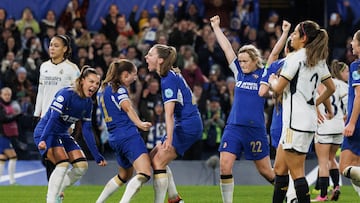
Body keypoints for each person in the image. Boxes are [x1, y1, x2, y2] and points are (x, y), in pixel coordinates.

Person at [210, 15, 275, 203]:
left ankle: (289, 194)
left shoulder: (264, 75)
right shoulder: (239, 72)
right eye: (241, 61)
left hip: (255, 130)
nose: (242, 64)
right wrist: (216, 27)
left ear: (255, 60)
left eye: (246, 61)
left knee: (265, 171)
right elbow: (226, 48)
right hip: (234, 127)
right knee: (224, 165)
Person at [268, 20, 335, 203]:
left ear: (304, 38)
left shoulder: (295, 58)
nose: (292, 36)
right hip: (306, 122)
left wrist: (273, 79)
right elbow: (331, 88)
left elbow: (278, 88)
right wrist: (314, 103)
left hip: (294, 123)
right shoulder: (318, 59)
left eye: (295, 34)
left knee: (297, 173)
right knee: (280, 169)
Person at [34, 66, 106, 203]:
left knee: (81, 167)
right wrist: (43, 139)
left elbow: (87, 129)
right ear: (82, 80)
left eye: (97, 83)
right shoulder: (66, 94)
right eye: (91, 82)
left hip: (63, 134)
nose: (94, 86)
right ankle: (51, 200)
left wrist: (96, 155)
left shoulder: (88, 103)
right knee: (63, 164)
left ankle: (56, 190)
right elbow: (53, 118)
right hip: (46, 132)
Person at [145, 44, 203, 203]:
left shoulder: (168, 80)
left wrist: (169, 140)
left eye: (150, 54)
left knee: (158, 161)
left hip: (187, 125)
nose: (146, 57)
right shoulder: (170, 75)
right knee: (153, 157)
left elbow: (168, 114)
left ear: (160, 60)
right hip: (186, 122)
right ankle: (174, 199)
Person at [95, 59, 152, 203]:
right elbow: (127, 107)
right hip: (128, 135)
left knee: (124, 176)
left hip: (114, 137)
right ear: (125, 74)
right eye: (134, 74)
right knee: (144, 173)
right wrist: (139, 123)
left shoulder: (102, 90)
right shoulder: (119, 89)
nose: (135, 78)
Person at [33, 34, 80, 183]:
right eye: (51, 45)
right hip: (45, 119)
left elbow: (76, 98)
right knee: (48, 158)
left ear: (65, 49)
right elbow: (41, 92)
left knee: (57, 159)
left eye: (56, 45)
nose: (52, 48)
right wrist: (37, 115)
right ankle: (54, 193)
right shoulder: (44, 66)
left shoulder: (72, 69)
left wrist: (71, 124)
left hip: (62, 121)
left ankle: (55, 194)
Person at [312, 60, 348, 202]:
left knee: (323, 162)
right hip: (339, 126)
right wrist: (346, 116)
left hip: (324, 125)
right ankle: (337, 187)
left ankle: (322, 195)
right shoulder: (340, 84)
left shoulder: (314, 84)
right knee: (331, 158)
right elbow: (350, 101)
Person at [339, 29, 360, 197]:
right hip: (356, 116)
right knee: (357, 169)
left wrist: (352, 121)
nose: (351, 44)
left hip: (358, 123)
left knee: (344, 167)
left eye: (354, 40)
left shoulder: (356, 66)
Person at [0, 87, 21, 185]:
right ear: (1, 95)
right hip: (2, 135)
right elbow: (3, 119)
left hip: (8, 135)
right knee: (13, 156)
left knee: (2, 158)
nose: (7, 96)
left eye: (9, 94)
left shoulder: (11, 105)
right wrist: (17, 115)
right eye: (5, 94)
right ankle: (12, 181)